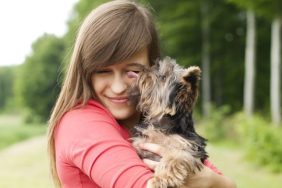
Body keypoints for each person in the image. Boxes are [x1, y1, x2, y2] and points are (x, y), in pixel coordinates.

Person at [47, 0, 236, 187]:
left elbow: (224, 182)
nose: (118, 87)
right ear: (85, 71)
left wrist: (214, 181)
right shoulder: (81, 124)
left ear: (152, 68)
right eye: (103, 71)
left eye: (133, 72)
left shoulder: (154, 123)